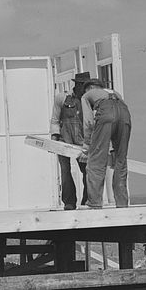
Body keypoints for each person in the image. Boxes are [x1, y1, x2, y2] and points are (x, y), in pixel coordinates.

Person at [80, 77, 132, 209]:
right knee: (121, 160)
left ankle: (94, 203)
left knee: (96, 161)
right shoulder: (115, 93)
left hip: (107, 113)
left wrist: (87, 145)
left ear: (90, 88)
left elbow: (88, 121)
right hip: (125, 115)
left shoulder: (87, 95)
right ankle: (122, 204)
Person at [50, 72, 91, 210]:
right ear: (77, 85)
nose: (84, 89)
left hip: (82, 143)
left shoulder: (89, 101)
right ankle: (69, 202)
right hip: (64, 141)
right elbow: (55, 119)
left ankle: (87, 200)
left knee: (87, 171)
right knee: (65, 171)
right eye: (83, 86)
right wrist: (54, 138)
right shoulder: (62, 98)